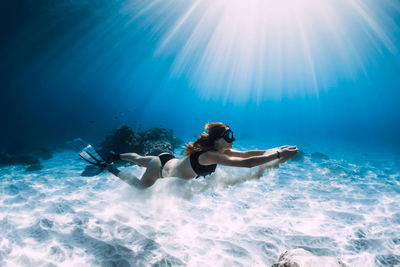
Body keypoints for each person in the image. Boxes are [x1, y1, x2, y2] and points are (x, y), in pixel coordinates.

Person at [83, 122, 298, 189]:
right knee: (140, 187)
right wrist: (279, 154)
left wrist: (277, 148)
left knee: (139, 158)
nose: (233, 139)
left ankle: (114, 156)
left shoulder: (220, 150)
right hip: (160, 170)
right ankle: (110, 166)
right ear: (216, 139)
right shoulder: (213, 155)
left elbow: (251, 153)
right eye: (229, 135)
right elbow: (249, 163)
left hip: (166, 158)